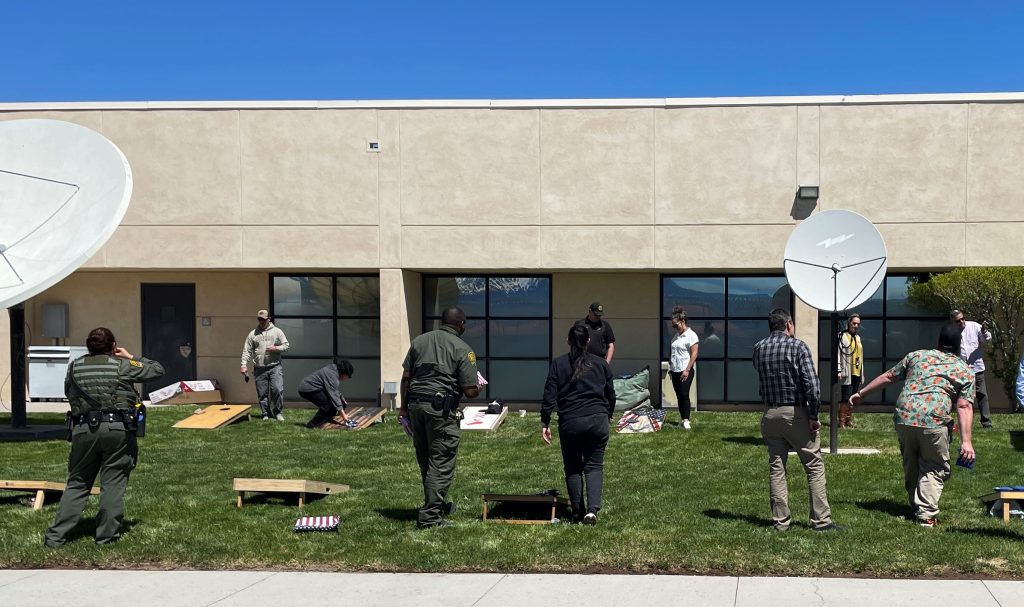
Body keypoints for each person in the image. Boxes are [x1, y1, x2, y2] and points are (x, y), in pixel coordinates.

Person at [44, 327, 165, 547]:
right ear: (113, 346)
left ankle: (55, 537)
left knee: (78, 482)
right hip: (117, 429)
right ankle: (106, 536)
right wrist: (130, 356)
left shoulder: (74, 367)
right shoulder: (122, 365)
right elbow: (156, 369)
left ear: (88, 346)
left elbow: (67, 392)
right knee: (113, 482)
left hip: (82, 430)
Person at [850, 323, 976, 527]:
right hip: (933, 420)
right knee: (934, 466)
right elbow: (964, 406)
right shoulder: (964, 370)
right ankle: (926, 514)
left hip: (904, 415)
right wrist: (967, 442)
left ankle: (915, 504)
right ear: (959, 346)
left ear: (938, 341)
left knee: (911, 460)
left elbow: (888, 376)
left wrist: (861, 394)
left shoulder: (916, 356)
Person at [752, 308, 842, 532]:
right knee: (813, 465)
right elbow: (812, 385)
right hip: (795, 413)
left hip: (769, 413)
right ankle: (821, 520)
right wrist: (813, 415)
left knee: (776, 467)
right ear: (789, 324)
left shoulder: (759, 348)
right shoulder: (798, 346)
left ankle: (780, 522)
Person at [399, 306, 480, 529]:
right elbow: (470, 391)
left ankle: (435, 504)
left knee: (426, 459)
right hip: (440, 411)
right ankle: (430, 517)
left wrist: (403, 409)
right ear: (461, 324)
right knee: (441, 462)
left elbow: (406, 378)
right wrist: (479, 386)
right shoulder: (463, 349)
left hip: (415, 407)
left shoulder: (419, 341)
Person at [541, 325, 616, 525]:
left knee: (573, 468)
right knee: (594, 466)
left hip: (570, 422)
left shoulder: (558, 364)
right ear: (589, 341)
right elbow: (611, 394)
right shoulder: (601, 364)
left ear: (568, 340)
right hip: (597, 419)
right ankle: (592, 511)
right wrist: (607, 414)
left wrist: (545, 421)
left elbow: (549, 394)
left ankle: (577, 512)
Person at [240, 309, 290, 421]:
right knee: (262, 393)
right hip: (259, 368)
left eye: (263, 319)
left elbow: (286, 346)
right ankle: (265, 413)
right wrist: (243, 365)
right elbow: (246, 350)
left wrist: (275, 348)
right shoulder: (253, 334)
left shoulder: (277, 331)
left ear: (269, 319)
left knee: (277, 389)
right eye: (259, 319)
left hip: (275, 367)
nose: (261, 321)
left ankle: (278, 412)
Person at [950, 309, 993, 428]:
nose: (962, 321)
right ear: (953, 322)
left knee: (982, 395)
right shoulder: (951, 332)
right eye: (958, 320)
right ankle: (959, 422)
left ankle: (986, 422)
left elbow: (987, 338)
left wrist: (984, 331)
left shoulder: (974, 326)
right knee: (960, 397)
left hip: (976, 367)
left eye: (963, 318)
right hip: (960, 369)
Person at [298, 358, 354, 429]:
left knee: (340, 403)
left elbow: (335, 390)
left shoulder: (334, 370)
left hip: (316, 388)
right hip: (307, 389)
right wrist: (343, 415)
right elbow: (333, 396)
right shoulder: (332, 375)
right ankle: (311, 425)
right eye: (348, 376)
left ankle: (327, 419)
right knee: (327, 405)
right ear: (344, 373)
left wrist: (342, 400)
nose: (348, 378)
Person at [668, 306, 699, 429]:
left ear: (683, 321)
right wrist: (671, 365)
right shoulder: (676, 337)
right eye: (673, 326)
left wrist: (687, 370)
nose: (675, 328)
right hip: (675, 370)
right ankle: (682, 418)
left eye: (676, 325)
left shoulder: (691, 335)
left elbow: (694, 354)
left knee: (684, 393)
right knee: (679, 395)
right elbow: (672, 351)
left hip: (685, 370)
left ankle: (686, 420)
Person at [837, 313, 864, 429]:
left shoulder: (858, 338)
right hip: (847, 372)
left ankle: (849, 420)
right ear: (849, 323)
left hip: (856, 371)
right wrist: (838, 369)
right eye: (854, 323)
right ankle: (842, 421)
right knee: (845, 397)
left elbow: (861, 356)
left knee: (853, 397)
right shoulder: (842, 336)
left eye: (858, 324)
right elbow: (838, 353)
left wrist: (862, 373)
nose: (856, 326)